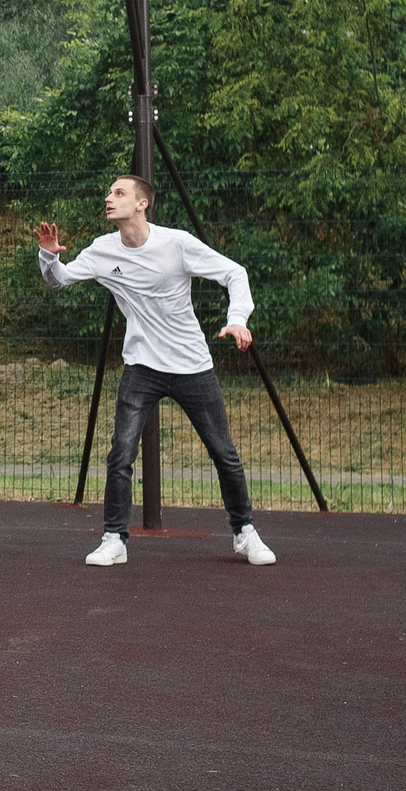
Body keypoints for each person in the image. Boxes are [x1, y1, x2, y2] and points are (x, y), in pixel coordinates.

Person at [37, 175, 276, 568]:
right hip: (142, 367)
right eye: (109, 193)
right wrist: (49, 256)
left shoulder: (176, 243)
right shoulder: (102, 250)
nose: (108, 199)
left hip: (192, 366)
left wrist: (237, 319)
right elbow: (58, 281)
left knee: (225, 454)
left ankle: (244, 532)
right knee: (121, 454)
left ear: (142, 204)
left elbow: (236, 273)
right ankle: (114, 539)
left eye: (119, 193)